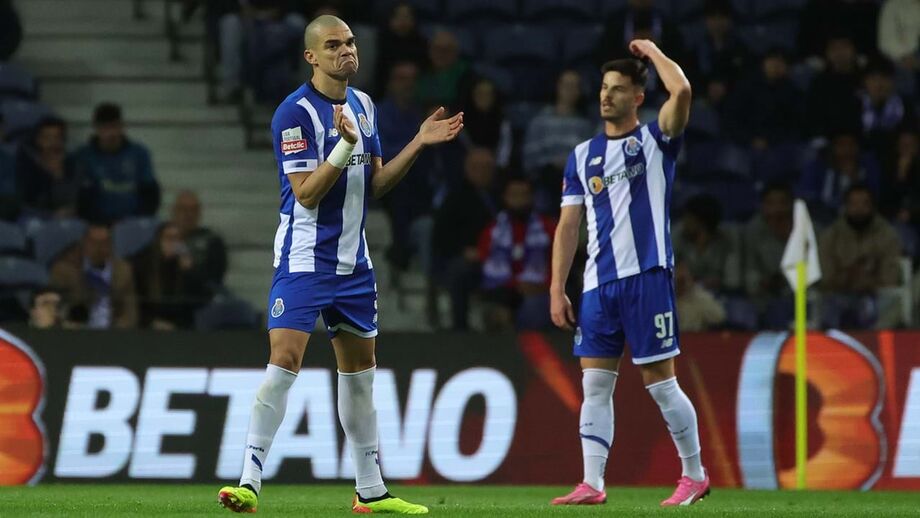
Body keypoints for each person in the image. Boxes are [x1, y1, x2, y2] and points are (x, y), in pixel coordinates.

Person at [216, 15, 463, 515]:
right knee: (285, 361)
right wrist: (344, 144)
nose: (346, 51)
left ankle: (371, 491)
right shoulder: (293, 113)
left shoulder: (365, 105)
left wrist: (417, 141)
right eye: (332, 45)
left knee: (360, 376)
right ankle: (248, 483)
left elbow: (376, 184)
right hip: (305, 260)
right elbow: (306, 195)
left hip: (355, 265)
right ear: (311, 57)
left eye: (349, 42)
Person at [550, 43, 709, 506]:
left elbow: (682, 90)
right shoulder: (582, 156)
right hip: (598, 286)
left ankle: (695, 475)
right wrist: (557, 287)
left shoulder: (657, 140)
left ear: (638, 97)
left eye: (618, 89)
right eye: (604, 87)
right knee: (594, 385)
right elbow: (568, 226)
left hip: (647, 277)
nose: (607, 96)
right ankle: (592, 484)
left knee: (661, 383)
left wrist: (653, 52)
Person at [819, 184, 903, 329]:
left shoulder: (887, 234)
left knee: (891, 306)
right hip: (838, 297)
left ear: (873, 207)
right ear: (845, 207)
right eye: (853, 204)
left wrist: (868, 281)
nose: (858, 210)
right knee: (828, 305)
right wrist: (848, 276)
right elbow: (825, 278)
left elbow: (891, 278)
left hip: (877, 297)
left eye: (864, 204)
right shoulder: (830, 236)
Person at [431, 148, 497, 331]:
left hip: (505, 257)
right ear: (467, 169)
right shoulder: (455, 198)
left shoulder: (502, 194)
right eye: (477, 167)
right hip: (471, 258)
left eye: (487, 167)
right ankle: (460, 329)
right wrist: (463, 251)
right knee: (459, 272)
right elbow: (441, 236)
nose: (483, 172)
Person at [478, 177, 555, 331]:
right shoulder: (493, 230)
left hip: (539, 289)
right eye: (514, 195)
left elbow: (559, 263)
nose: (519, 200)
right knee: (495, 309)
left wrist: (544, 286)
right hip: (502, 289)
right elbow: (485, 264)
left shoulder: (548, 228)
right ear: (505, 198)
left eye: (523, 195)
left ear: (531, 198)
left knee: (534, 308)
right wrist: (514, 285)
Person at [73, 103, 160, 224]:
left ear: (122, 126)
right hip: (96, 225)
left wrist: (138, 220)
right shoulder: (84, 156)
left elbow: (150, 192)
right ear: (96, 128)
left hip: (132, 223)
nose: (111, 133)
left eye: (114, 126)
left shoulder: (139, 153)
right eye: (105, 128)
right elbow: (82, 197)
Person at [522, 69, 595, 213]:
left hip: (574, 181)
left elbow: (590, 159)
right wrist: (551, 163)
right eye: (566, 85)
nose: (569, 90)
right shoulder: (540, 121)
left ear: (579, 91)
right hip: (545, 180)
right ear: (558, 87)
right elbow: (529, 160)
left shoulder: (585, 125)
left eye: (574, 86)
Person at [49, 225, 138, 329]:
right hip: (76, 330)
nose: (99, 248)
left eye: (104, 243)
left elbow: (131, 312)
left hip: (113, 331)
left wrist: (119, 330)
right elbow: (55, 309)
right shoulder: (64, 271)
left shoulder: (123, 271)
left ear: (111, 245)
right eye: (94, 243)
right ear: (84, 244)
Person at [131, 222, 210, 330]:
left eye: (177, 239)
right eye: (168, 238)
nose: (173, 243)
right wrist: (150, 321)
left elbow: (201, 299)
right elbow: (135, 302)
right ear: (158, 240)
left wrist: (189, 272)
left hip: (181, 326)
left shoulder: (187, 262)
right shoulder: (143, 262)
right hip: (151, 324)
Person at [743, 183, 794, 328]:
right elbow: (750, 272)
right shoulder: (752, 231)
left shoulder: (805, 229)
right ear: (763, 206)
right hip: (764, 296)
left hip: (798, 293)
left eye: (782, 203)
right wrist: (763, 282)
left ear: (791, 205)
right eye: (771, 203)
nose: (777, 209)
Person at [16, 117, 80, 218]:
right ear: (38, 140)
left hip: (69, 219)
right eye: (47, 138)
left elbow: (78, 200)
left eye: (57, 137)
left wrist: (58, 174)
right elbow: (27, 201)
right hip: (35, 218)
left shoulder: (74, 165)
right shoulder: (27, 167)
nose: (52, 142)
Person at [170, 190, 228, 296]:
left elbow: (214, 279)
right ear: (174, 211)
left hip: (201, 298)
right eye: (183, 209)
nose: (189, 215)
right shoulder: (163, 238)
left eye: (193, 210)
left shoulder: (212, 241)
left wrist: (190, 270)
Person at [673, 263, 725, 332]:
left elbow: (720, 317)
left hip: (696, 336)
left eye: (683, 280)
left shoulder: (701, 296)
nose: (681, 285)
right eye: (677, 280)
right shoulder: (665, 300)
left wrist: (696, 296)